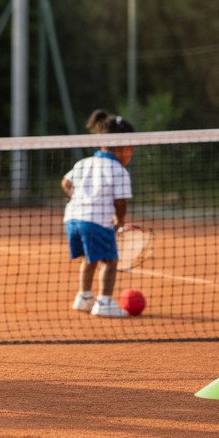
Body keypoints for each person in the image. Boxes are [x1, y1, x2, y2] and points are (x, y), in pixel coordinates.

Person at [62, 109, 136, 318]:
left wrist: (79, 198)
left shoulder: (84, 163)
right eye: (131, 148)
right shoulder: (119, 170)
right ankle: (104, 302)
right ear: (121, 147)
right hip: (95, 221)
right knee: (110, 261)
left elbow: (65, 182)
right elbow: (120, 202)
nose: (131, 153)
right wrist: (119, 221)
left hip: (72, 219)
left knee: (90, 257)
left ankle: (83, 298)